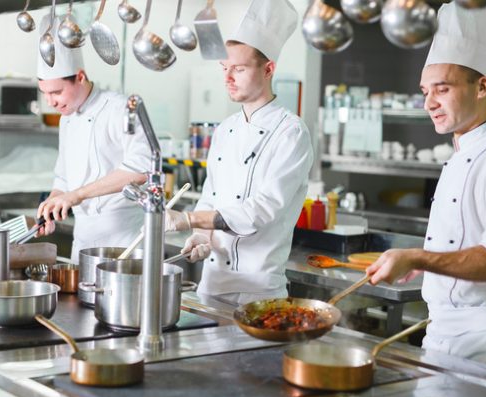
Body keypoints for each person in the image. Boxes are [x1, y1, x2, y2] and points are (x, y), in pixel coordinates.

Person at [365, 3, 486, 377]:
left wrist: (420, 258)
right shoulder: (456, 158)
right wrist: (432, 264)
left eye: (442, 89)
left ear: (483, 86)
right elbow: (464, 245)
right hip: (441, 339)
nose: (429, 102)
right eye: (425, 91)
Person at [163, 0, 313, 305]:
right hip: (212, 285)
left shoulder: (291, 132)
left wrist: (190, 219)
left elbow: (261, 210)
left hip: (258, 294)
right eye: (224, 68)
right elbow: (212, 197)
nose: (227, 78)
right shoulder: (224, 129)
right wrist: (202, 239)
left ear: (268, 69)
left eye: (239, 69)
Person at [33, 15, 150, 262]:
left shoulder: (120, 108)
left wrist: (75, 196)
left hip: (125, 241)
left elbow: (141, 169)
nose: (51, 102)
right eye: (45, 93)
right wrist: (53, 203)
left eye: (56, 92)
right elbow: (63, 178)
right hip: (83, 240)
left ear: (81, 77)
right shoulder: (66, 119)